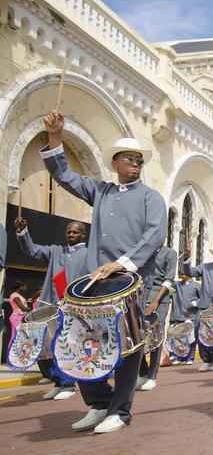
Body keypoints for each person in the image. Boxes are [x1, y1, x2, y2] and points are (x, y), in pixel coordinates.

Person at [42, 109, 167, 433]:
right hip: (94, 282)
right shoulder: (101, 191)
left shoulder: (150, 197)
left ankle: (120, 411)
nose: (135, 164)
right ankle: (98, 403)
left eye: (139, 160)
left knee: (127, 343)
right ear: (115, 163)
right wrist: (55, 137)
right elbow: (64, 176)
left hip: (129, 281)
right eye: (129, 159)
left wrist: (122, 263)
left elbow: (154, 235)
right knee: (83, 339)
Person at [15, 217, 87, 400]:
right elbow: (31, 249)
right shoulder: (56, 251)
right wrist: (23, 232)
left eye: (75, 232)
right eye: (69, 232)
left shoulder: (88, 254)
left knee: (68, 346)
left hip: (73, 309)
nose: (71, 234)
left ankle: (69, 385)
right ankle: (58, 382)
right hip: (50, 307)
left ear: (83, 235)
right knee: (52, 347)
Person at [183, 248, 213, 372]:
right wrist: (186, 259)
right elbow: (190, 272)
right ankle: (206, 360)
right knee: (199, 330)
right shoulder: (205, 267)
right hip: (204, 305)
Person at [137, 245, 178, 391]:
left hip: (159, 299)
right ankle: (143, 374)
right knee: (137, 336)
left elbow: (168, 280)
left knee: (156, 337)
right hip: (141, 297)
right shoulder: (144, 251)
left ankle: (152, 376)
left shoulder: (169, 253)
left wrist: (155, 300)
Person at [171, 271, 202, 364]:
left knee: (191, 338)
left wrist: (195, 303)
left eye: (183, 274)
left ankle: (190, 357)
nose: (181, 276)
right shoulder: (178, 284)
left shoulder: (197, 285)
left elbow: (204, 297)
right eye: (180, 273)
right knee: (178, 337)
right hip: (179, 315)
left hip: (191, 315)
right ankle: (180, 357)